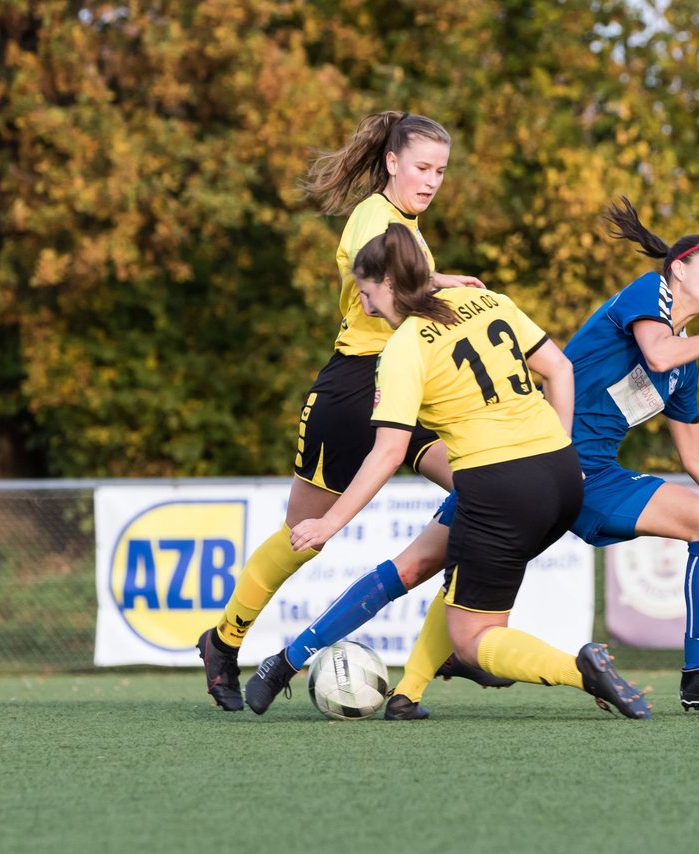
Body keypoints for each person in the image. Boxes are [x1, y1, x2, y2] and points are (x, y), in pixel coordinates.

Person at [253, 223, 650, 719]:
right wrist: (562, 447)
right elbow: (561, 370)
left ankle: (582, 669)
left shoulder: (403, 348)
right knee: (436, 569)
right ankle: (405, 693)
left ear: (391, 286)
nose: (363, 301)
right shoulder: (492, 302)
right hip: (560, 476)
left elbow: (387, 452)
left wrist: (328, 523)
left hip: (499, 484)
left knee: (474, 639)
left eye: (367, 289)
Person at [196, 111, 496, 712]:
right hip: (354, 389)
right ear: (391, 163)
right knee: (304, 538)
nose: (432, 180)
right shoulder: (373, 215)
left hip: (413, 382)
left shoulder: (409, 224)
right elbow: (381, 271)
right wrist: (440, 283)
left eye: (441, 170)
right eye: (421, 167)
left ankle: (458, 645)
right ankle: (224, 641)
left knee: (486, 494)